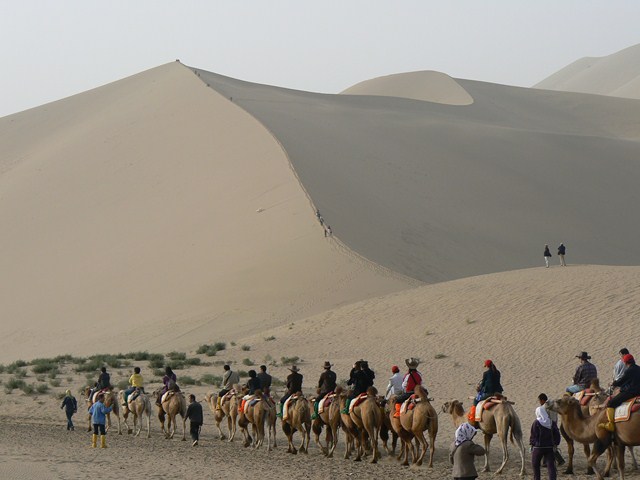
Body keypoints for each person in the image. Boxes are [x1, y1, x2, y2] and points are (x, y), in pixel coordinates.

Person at [599, 353, 640, 432]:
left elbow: (621, 382)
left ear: (625, 363)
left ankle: (610, 424)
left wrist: (613, 383)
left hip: (631, 392)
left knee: (611, 403)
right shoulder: (639, 368)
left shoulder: (628, 371)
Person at [530, 393, 561, 480]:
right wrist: (555, 443)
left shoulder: (536, 423)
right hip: (549, 447)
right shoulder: (551, 422)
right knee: (551, 467)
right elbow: (557, 434)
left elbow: (533, 435)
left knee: (535, 465)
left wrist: (532, 444)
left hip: (538, 448)